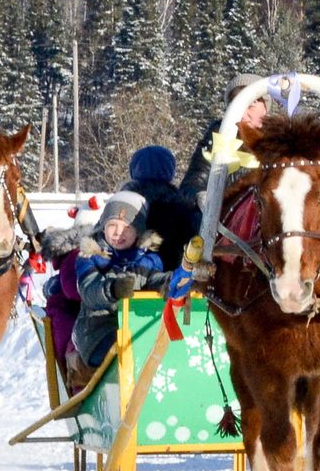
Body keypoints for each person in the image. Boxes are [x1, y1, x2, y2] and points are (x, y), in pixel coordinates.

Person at [68, 192, 167, 386]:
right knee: (126, 350)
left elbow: (154, 279)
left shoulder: (148, 260)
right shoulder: (89, 256)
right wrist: (112, 289)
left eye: (127, 228)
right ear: (103, 227)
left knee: (152, 349)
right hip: (97, 331)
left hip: (136, 329)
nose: (118, 233)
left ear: (139, 231)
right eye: (112, 225)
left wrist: (169, 282)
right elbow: (89, 289)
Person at [179, 73, 271, 202]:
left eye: (250, 105)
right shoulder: (219, 136)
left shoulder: (278, 144)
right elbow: (193, 182)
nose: (243, 114)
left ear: (265, 108)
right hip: (224, 214)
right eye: (237, 106)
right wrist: (202, 198)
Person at [38, 201, 98, 383]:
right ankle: (75, 385)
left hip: (80, 311)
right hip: (70, 315)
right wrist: (98, 290)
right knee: (76, 349)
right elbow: (72, 288)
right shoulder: (77, 254)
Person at [124, 144, 201, 271]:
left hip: (124, 274)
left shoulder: (122, 203)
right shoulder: (180, 204)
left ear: (133, 170)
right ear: (170, 171)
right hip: (171, 276)